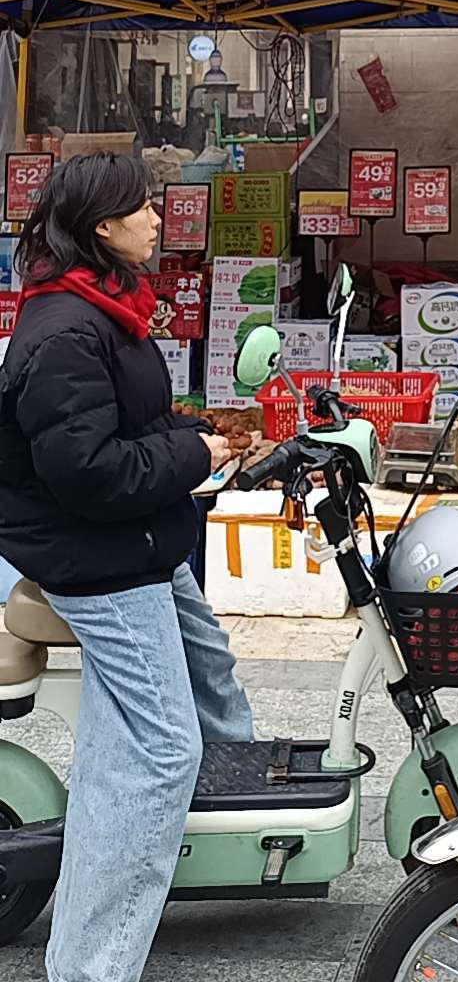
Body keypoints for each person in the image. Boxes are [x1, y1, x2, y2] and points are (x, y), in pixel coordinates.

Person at [0, 153, 254, 982]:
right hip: (100, 559)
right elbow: (90, 473)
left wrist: (200, 432)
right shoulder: (65, 334)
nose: (157, 217)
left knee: (212, 679)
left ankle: (238, 844)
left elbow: (129, 422)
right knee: (157, 754)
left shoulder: (104, 307)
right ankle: (92, 966)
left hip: (140, 541)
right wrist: (194, 455)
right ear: (102, 227)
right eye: (141, 207)